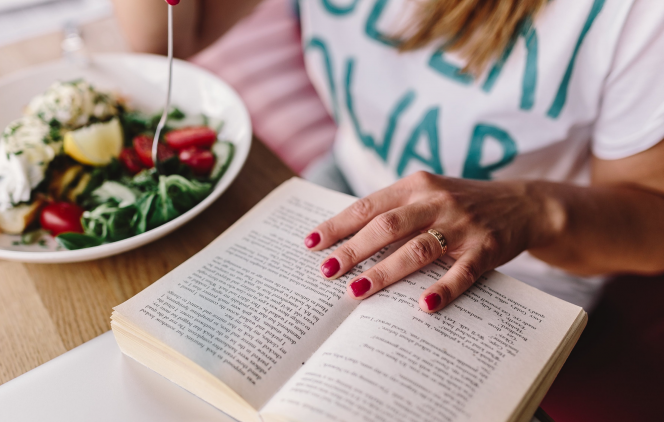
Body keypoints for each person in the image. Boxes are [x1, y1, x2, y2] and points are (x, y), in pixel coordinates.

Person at [113, 0, 664, 313]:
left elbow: (652, 220)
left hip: (513, 274)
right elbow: (166, 39)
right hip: (342, 188)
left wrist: (532, 209)